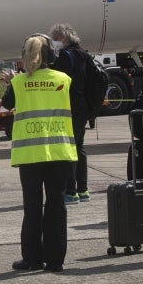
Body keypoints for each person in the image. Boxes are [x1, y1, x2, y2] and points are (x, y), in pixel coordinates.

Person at [1, 34, 77, 273]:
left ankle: (32, 258)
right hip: (59, 151)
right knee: (57, 204)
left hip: (30, 154)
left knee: (32, 207)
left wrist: (11, 82)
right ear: (51, 55)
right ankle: (55, 261)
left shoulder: (19, 82)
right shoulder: (64, 79)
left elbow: (6, 103)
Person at [48, 23, 90, 205]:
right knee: (79, 147)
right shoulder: (84, 54)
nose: (53, 43)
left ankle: (70, 191)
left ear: (63, 39)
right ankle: (83, 189)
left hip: (69, 106)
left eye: (54, 39)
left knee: (68, 148)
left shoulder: (66, 56)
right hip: (83, 105)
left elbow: (56, 78)